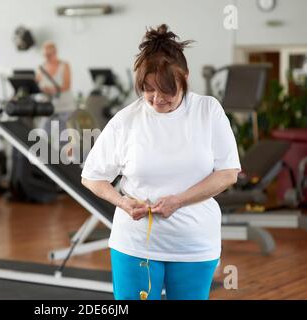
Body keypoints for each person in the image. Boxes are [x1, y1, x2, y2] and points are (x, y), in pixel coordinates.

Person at [81, 24, 241, 300]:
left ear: (185, 78)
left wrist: (179, 200)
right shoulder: (126, 119)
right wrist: (122, 202)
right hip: (134, 243)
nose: (157, 99)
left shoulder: (208, 111)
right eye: (148, 89)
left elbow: (228, 173)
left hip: (194, 244)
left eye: (166, 90)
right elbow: (92, 176)